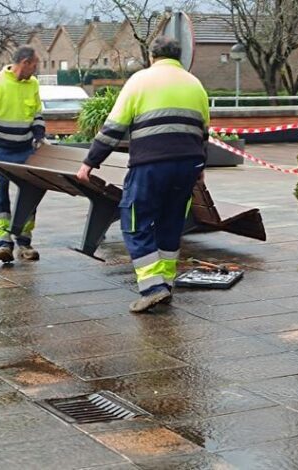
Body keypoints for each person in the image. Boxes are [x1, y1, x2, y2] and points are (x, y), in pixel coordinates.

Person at [76, 36, 209, 313]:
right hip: (188, 166)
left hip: (151, 165)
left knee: (134, 220)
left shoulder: (140, 81)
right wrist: (200, 170)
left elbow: (113, 128)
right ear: (179, 57)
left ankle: (152, 287)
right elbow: (202, 132)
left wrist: (90, 162)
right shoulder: (195, 84)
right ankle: (166, 284)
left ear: (152, 56)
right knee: (171, 222)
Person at [0, 45, 49, 263]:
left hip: (25, 149)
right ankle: (4, 242)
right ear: (24, 63)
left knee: (32, 192)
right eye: (34, 65)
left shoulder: (32, 84)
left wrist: (39, 136)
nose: (36, 69)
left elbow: (36, 115)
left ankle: (24, 241)